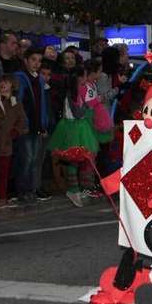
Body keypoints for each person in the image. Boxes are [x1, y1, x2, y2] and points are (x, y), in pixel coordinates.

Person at [48, 66, 99, 207]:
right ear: (77, 78)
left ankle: (78, 189)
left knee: (78, 159)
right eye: (83, 76)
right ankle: (73, 190)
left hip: (78, 127)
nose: (85, 79)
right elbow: (77, 113)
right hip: (73, 128)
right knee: (73, 159)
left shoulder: (76, 92)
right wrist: (89, 106)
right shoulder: (72, 94)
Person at [14, 48, 50, 205]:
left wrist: (43, 124)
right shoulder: (20, 78)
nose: (37, 63)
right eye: (34, 60)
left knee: (35, 159)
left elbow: (42, 104)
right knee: (26, 158)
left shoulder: (40, 80)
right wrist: (21, 123)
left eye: (39, 61)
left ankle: (32, 188)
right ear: (26, 60)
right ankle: (22, 189)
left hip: (37, 125)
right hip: (26, 125)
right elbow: (18, 102)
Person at [0, 75, 27, 208]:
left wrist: (16, 131)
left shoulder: (16, 103)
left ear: (12, 85)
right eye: (1, 81)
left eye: (6, 82)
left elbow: (23, 121)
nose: (3, 84)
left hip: (7, 144)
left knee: (4, 172)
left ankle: (2, 196)